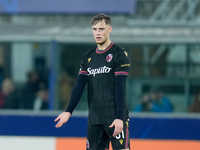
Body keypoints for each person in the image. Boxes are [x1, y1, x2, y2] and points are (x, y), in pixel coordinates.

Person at [54, 13, 131, 150]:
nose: (98, 33)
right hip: (95, 118)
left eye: (101, 29)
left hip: (115, 117)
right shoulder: (87, 57)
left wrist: (120, 117)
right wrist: (68, 111)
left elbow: (120, 87)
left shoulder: (119, 54)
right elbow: (79, 85)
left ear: (109, 29)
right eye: (94, 29)